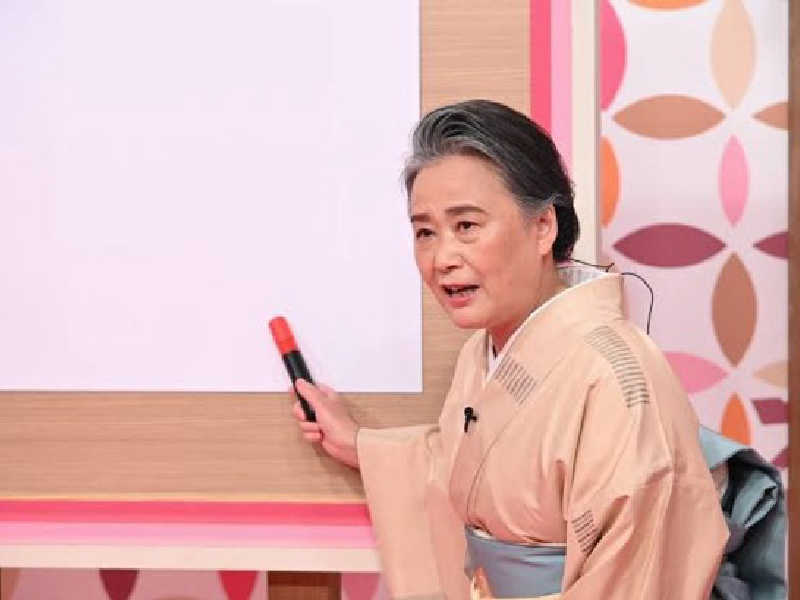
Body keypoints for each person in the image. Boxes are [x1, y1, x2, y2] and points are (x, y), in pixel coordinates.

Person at [291, 100, 731, 599]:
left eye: (466, 226)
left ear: (543, 226)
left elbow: (642, 571)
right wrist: (359, 445)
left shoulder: (616, 375)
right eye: (425, 232)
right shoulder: (480, 355)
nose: (442, 258)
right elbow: (460, 469)